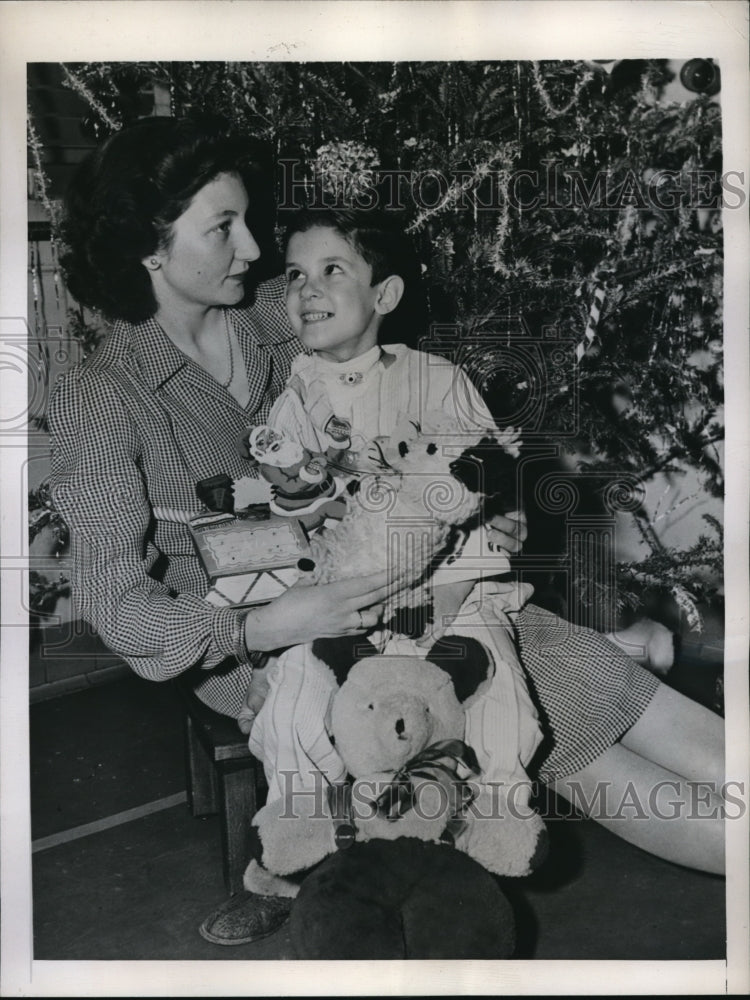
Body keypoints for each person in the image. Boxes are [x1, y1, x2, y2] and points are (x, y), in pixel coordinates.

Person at [48, 117, 725, 950]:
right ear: (149, 247)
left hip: (418, 573)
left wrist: (483, 499)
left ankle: (615, 665)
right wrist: (262, 626)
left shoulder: (277, 308)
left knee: (581, 674)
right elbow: (116, 603)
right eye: (223, 228)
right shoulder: (102, 397)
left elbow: (410, 401)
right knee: (560, 718)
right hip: (269, 646)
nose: (256, 248)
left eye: (250, 222)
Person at [240, 208, 544, 828]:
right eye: (295, 274)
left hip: (449, 589)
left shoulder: (436, 380)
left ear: (385, 294)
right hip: (342, 600)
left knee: (500, 702)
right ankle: (301, 829)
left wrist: (446, 602)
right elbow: (289, 522)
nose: (307, 289)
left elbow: (486, 489)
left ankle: (500, 821)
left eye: (332, 270)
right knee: (293, 704)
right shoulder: (292, 404)